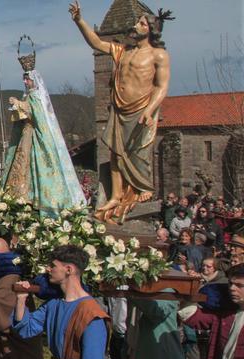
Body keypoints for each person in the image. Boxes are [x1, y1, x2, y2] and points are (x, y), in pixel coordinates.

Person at [70, 1, 172, 222]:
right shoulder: (122, 51)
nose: (136, 25)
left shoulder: (158, 55)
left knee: (138, 151)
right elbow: (96, 42)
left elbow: (161, 86)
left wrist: (151, 109)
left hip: (141, 108)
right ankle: (116, 195)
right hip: (119, 108)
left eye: (142, 23)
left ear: (151, 29)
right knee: (116, 153)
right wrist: (80, 21)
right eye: (137, 22)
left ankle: (141, 186)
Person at [1, 67, 86, 216]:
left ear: (34, 80)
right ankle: (21, 196)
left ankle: (38, 199)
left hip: (36, 136)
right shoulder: (28, 95)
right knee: (22, 164)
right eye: (24, 79)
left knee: (35, 164)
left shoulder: (36, 95)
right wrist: (17, 106)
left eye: (27, 79)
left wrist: (19, 104)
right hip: (26, 135)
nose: (25, 81)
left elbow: (37, 114)